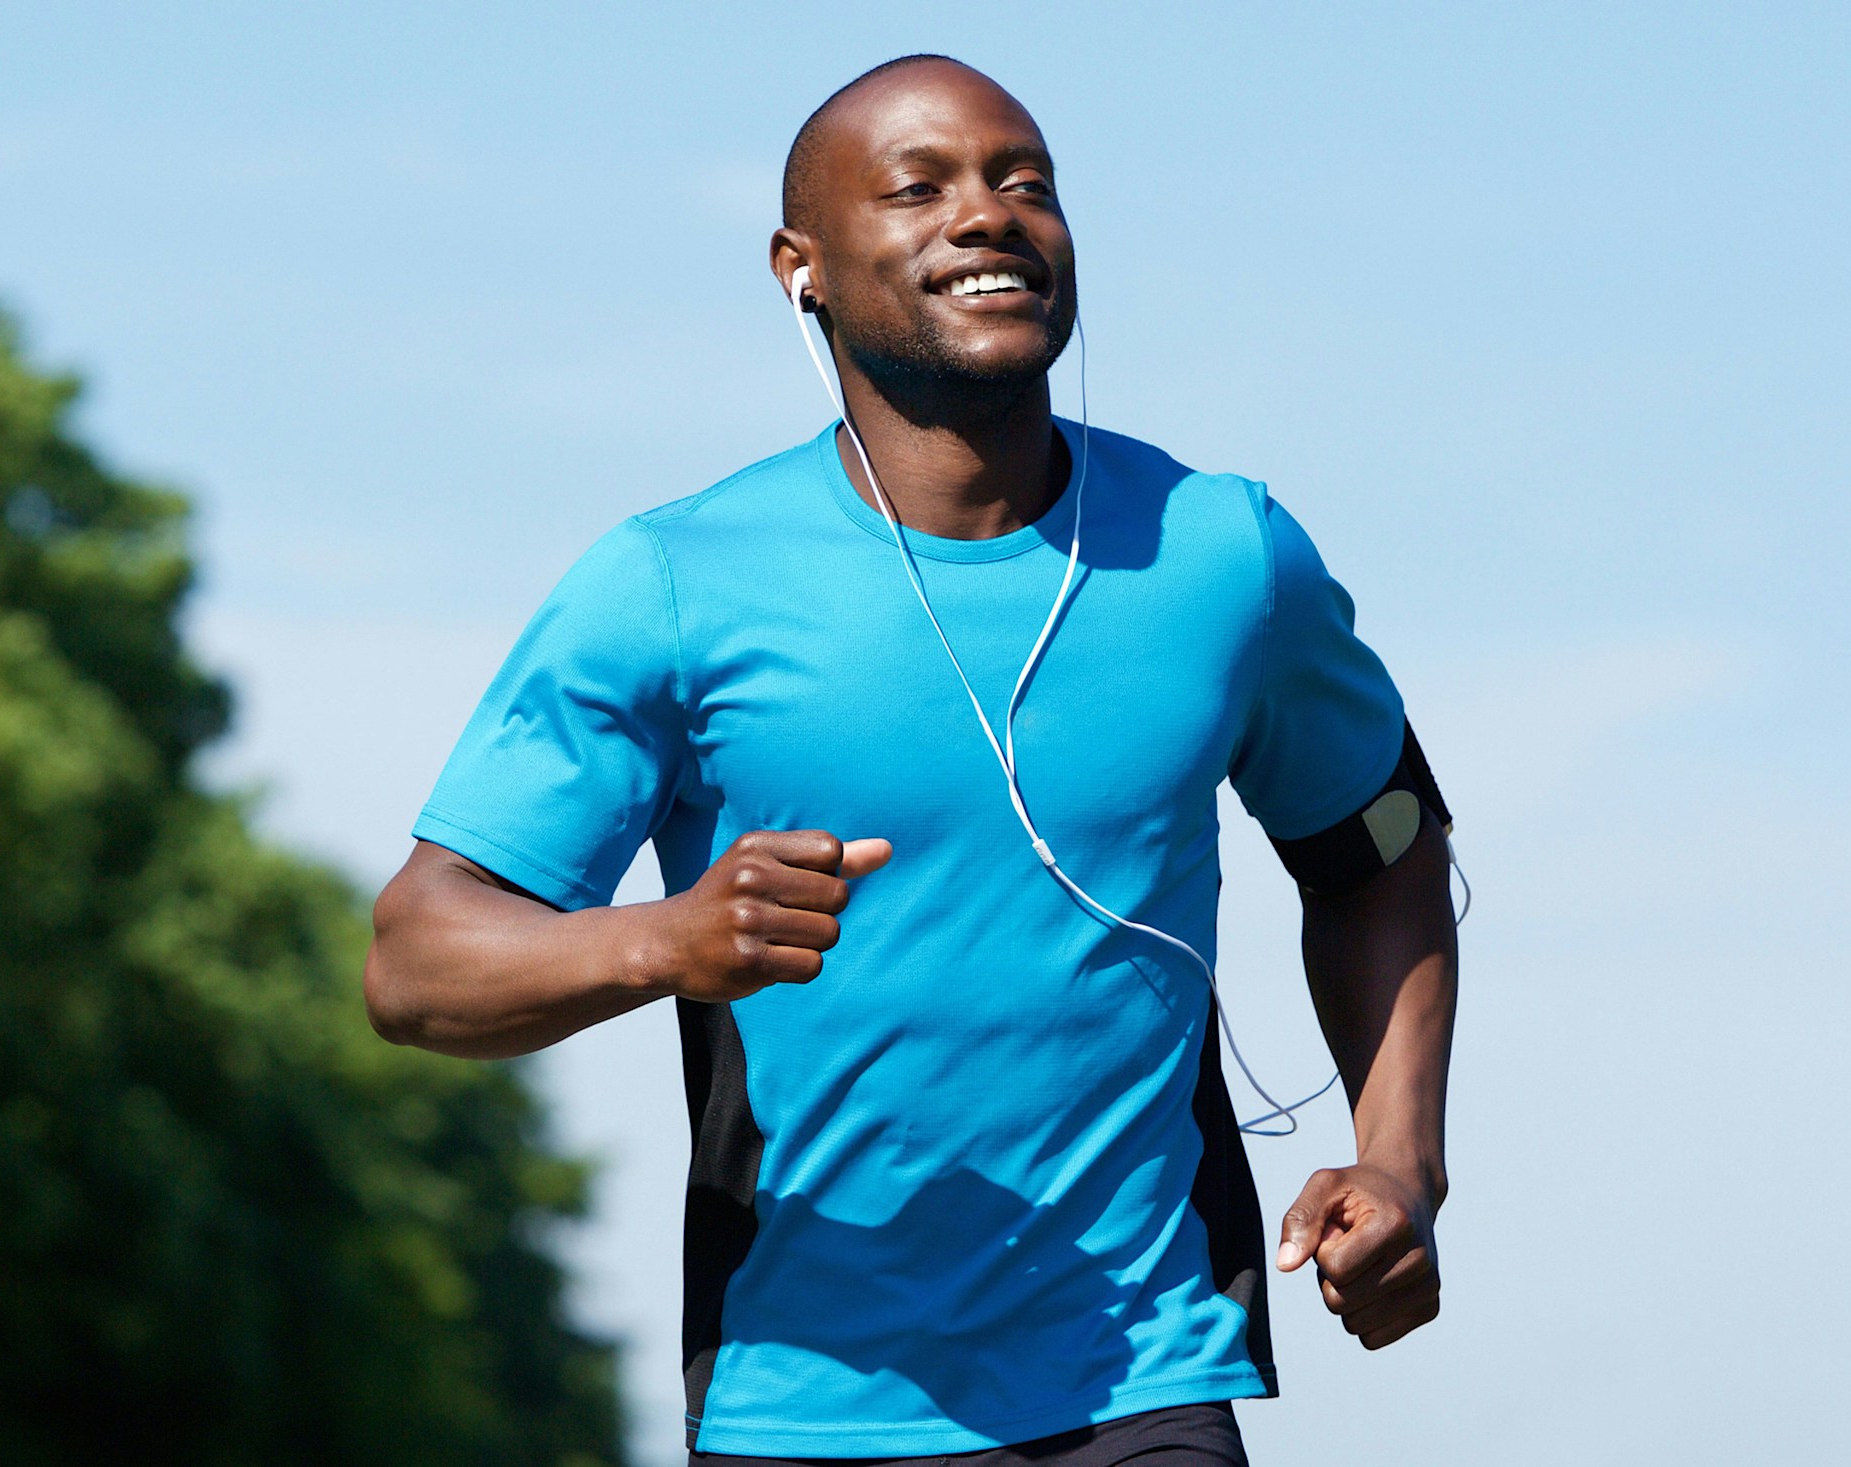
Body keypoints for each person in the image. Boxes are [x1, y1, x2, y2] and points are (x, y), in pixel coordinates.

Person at [364, 54, 1459, 1467]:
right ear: (799, 268)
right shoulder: (676, 583)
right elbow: (417, 961)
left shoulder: (1224, 553)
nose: (989, 215)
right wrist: (667, 942)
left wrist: (1401, 1162)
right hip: (803, 1398)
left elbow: (1380, 854)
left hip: (1142, 1377)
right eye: (919, 187)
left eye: (1026, 184)